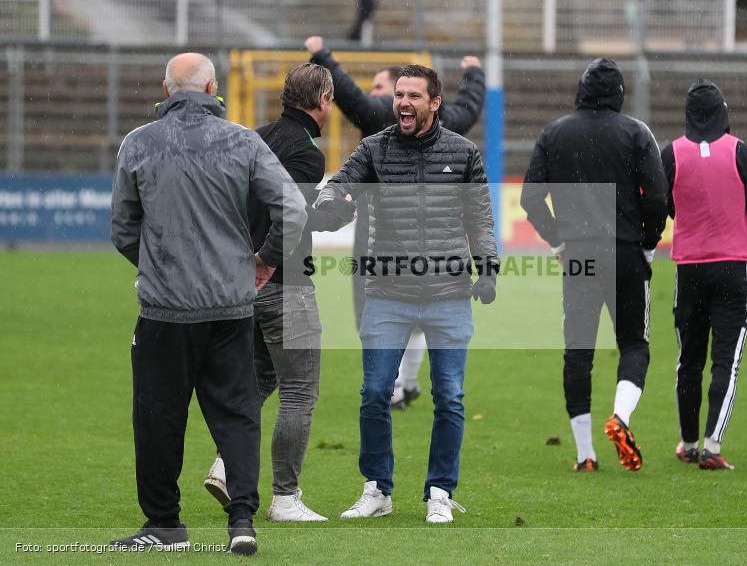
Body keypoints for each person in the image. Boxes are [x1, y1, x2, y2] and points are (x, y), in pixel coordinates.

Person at [110, 53, 306, 555]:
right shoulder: (244, 141)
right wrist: (264, 260)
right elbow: (293, 206)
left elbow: (122, 229)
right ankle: (242, 520)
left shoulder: (138, 143)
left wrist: (156, 263)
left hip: (164, 310)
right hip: (230, 305)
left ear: (167, 89)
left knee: (158, 416)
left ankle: (165, 525)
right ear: (213, 87)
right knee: (238, 413)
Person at [314, 64, 498, 523]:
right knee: (375, 391)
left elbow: (480, 217)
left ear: (435, 103)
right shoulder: (374, 149)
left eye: (414, 95)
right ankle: (377, 488)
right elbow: (341, 183)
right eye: (399, 95)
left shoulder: (464, 153)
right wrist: (331, 202)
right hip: (387, 292)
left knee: (449, 397)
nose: (403, 103)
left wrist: (489, 269)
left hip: (449, 292)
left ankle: (439, 491)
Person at [203, 64, 355, 522]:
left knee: (259, 380)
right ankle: (285, 498)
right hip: (283, 283)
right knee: (299, 393)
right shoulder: (307, 153)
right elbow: (292, 218)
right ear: (324, 99)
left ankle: (226, 466)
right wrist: (339, 215)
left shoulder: (255, 137)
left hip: (238, 284)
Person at [305, 35, 486, 410]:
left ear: (428, 101)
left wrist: (322, 54)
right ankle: (404, 383)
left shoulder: (377, 118)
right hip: (436, 256)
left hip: (382, 232)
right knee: (419, 313)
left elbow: (350, 96)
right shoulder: (445, 125)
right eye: (391, 93)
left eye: (380, 87)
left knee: (373, 305)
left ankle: (395, 383)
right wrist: (474, 75)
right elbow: (468, 108)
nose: (382, 97)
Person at [520, 58, 667, 473]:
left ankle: (585, 453)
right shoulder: (636, 132)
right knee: (634, 343)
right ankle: (620, 416)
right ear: (620, 93)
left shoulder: (554, 133)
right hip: (624, 252)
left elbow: (530, 199)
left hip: (579, 255)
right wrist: (649, 243)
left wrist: (558, 239)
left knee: (578, 350)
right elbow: (657, 198)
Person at [662, 80, 747, 471]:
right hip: (733, 269)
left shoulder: (671, 154)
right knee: (725, 361)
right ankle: (712, 445)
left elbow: (659, 202)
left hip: (689, 268)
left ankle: (686, 442)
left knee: (689, 360)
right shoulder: (744, 155)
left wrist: (686, 218)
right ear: (723, 112)